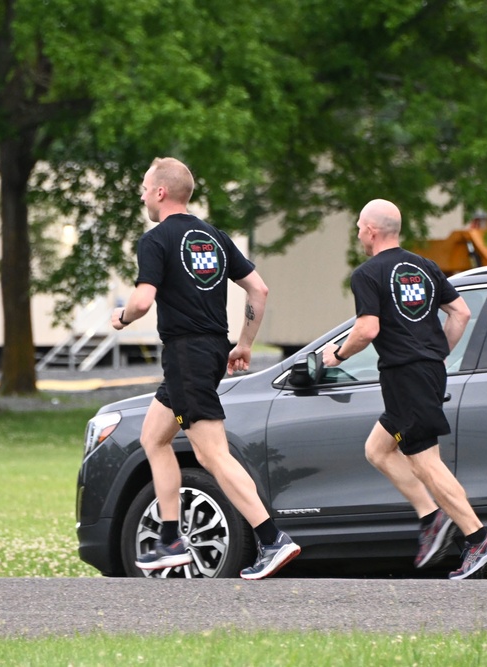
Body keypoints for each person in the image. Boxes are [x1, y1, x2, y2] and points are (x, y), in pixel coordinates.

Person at [111, 157, 299, 580]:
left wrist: (122, 317)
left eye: (144, 187)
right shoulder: (212, 237)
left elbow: (142, 302)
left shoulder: (156, 239)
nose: (142, 194)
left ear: (160, 192)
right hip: (211, 351)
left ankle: (272, 539)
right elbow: (258, 288)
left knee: (211, 452)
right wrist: (244, 344)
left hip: (185, 354)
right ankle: (170, 538)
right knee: (154, 437)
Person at [322, 199, 487, 580]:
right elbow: (461, 313)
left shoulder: (368, 273)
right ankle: (432, 517)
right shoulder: (423, 266)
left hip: (405, 375)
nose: (358, 232)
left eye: (359, 226)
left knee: (426, 462)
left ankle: (478, 538)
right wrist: (437, 353)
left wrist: (336, 356)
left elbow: (367, 330)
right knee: (378, 448)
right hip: (420, 375)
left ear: (371, 231)